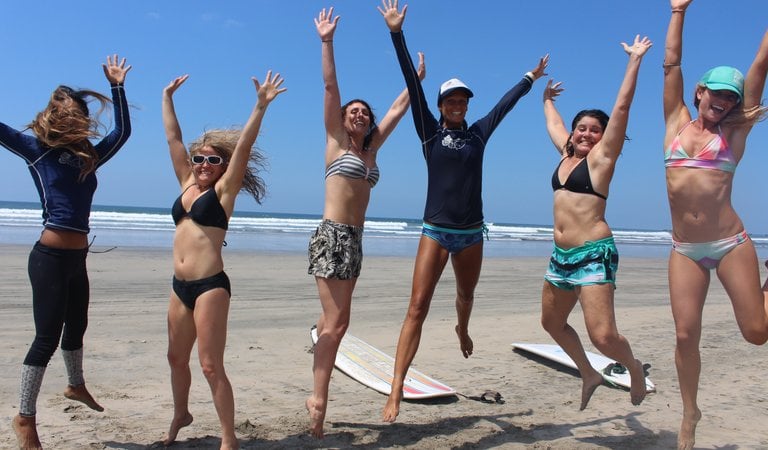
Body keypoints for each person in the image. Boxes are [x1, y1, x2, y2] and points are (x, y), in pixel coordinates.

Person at [379, 0, 547, 422]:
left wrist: (529, 78)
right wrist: (397, 33)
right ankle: (396, 388)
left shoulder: (478, 134)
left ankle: (463, 328)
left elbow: (505, 105)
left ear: (468, 106)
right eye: (450, 100)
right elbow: (410, 81)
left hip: (471, 233)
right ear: (440, 105)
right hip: (435, 231)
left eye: (463, 100)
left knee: (466, 296)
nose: (457, 105)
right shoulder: (428, 133)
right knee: (417, 307)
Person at [0, 55, 132, 450]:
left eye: (78, 113)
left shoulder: (88, 156)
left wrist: (117, 87)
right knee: (46, 338)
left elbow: (122, 132)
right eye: (66, 111)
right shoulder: (36, 149)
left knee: (76, 328)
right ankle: (25, 418)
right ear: (55, 114)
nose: (73, 117)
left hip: (77, 260)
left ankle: (75, 385)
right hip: (49, 259)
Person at [306, 6, 425, 439]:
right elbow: (330, 86)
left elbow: (398, 106)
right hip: (332, 236)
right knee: (337, 324)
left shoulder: (371, 151)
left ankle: (320, 355)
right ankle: (318, 399)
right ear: (342, 118)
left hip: (355, 240)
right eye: (352, 111)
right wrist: (327, 41)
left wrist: (415, 78)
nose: (358, 114)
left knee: (336, 322)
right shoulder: (336, 143)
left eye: (363, 112)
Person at [663, 1, 768, 449]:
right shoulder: (674, 122)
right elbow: (672, 64)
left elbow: (761, 63)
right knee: (685, 334)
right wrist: (678, 12)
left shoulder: (735, 134)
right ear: (700, 91)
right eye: (717, 93)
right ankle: (690, 413)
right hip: (685, 250)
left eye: (732, 97)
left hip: (729, 244)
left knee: (757, 334)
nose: (723, 102)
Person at [161, 71, 285, 449]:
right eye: (199, 158)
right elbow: (174, 139)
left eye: (212, 160)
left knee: (210, 364)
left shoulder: (223, 191)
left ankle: (229, 437)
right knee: (175, 358)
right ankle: (181, 413)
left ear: (221, 165)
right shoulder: (186, 183)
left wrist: (260, 106)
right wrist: (167, 97)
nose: (203, 164)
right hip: (179, 287)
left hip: (210, 287)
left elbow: (244, 146)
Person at [539, 35, 652, 413]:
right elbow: (554, 123)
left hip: (593, 253)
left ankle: (633, 367)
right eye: (581, 128)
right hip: (560, 257)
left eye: (594, 130)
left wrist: (634, 60)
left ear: (605, 137)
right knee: (552, 323)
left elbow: (622, 106)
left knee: (603, 336)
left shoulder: (601, 161)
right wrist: (547, 99)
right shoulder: (565, 154)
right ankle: (589, 374)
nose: (586, 133)